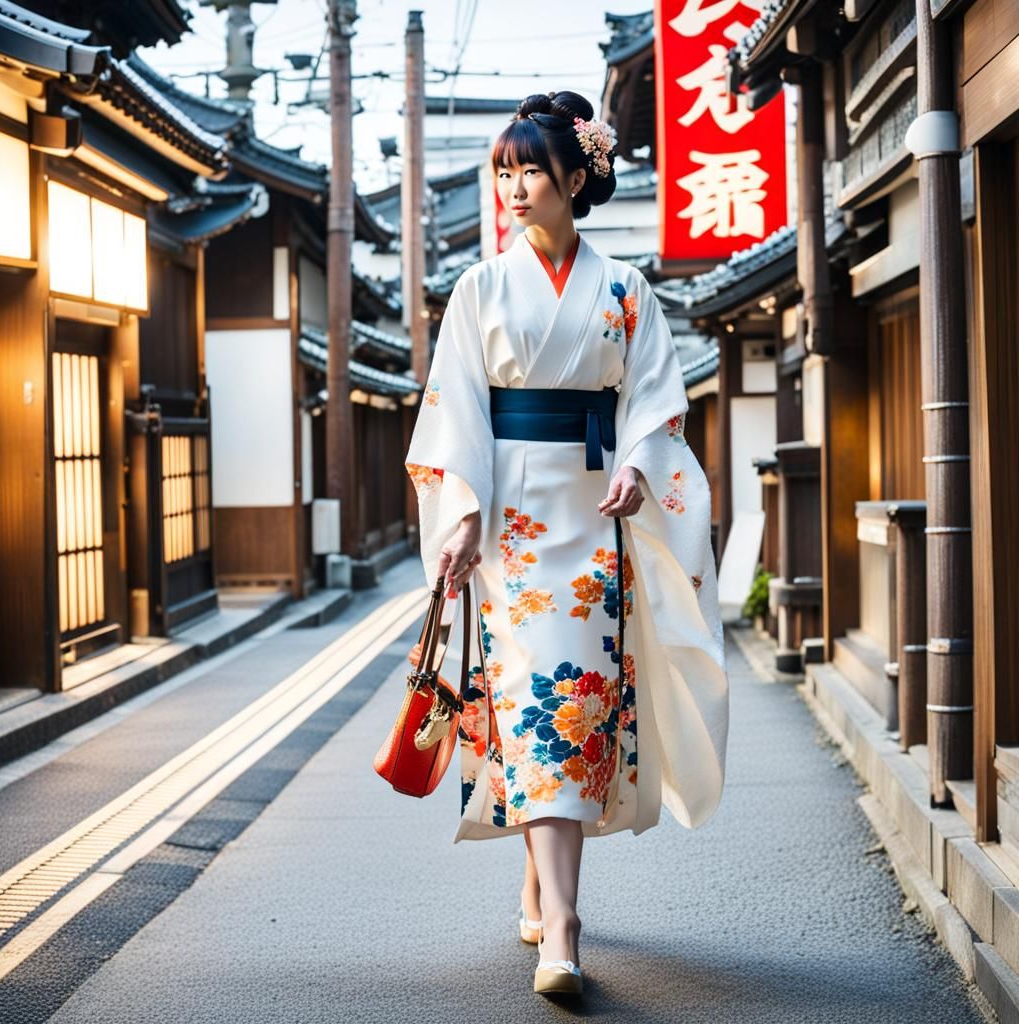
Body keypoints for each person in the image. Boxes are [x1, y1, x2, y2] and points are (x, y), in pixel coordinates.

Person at [404, 90, 729, 998]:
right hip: (511, 522)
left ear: (577, 179)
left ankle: (545, 890)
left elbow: (656, 397)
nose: (513, 187)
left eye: (531, 171)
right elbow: (455, 410)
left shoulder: (625, 289)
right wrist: (463, 512)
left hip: (595, 516)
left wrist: (640, 465)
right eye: (503, 172)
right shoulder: (480, 287)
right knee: (532, 698)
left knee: (574, 705)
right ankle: (565, 926)